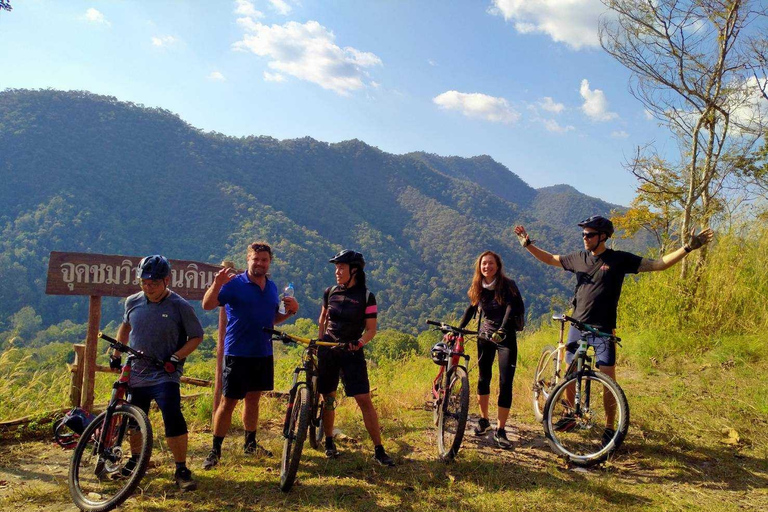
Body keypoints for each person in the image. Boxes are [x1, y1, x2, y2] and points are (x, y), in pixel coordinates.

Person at [514, 216, 713, 443]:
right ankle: (570, 414)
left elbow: (659, 264)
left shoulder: (619, 259)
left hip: (604, 328)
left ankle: (609, 426)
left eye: (589, 235)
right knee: (570, 370)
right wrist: (527, 244)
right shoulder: (579, 258)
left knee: (608, 377)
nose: (585, 239)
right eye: (583, 235)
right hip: (578, 324)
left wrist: (688, 247)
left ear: (603, 237)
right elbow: (550, 259)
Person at [200, 242, 299, 469]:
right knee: (229, 402)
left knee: (254, 400)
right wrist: (216, 284)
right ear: (248, 260)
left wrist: (292, 312)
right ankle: (215, 450)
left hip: (262, 352)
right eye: (256, 259)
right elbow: (207, 305)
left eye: (264, 260)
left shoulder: (272, 287)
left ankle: (250, 444)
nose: (260, 263)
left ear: (269, 262)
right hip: (237, 352)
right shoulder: (234, 284)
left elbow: (271, 319)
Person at [111, 255, 204, 491]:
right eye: (143, 282)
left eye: (152, 282)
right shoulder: (132, 302)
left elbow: (196, 336)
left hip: (165, 373)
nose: (147, 286)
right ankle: (136, 460)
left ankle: (181, 468)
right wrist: (116, 352)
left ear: (166, 280)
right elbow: (125, 327)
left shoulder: (180, 306)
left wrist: (176, 356)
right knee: (134, 420)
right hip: (137, 372)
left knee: (172, 415)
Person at [317, 250, 395, 466]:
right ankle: (329, 441)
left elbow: (371, 330)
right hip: (329, 349)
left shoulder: (367, 297)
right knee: (328, 398)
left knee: (363, 399)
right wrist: (320, 342)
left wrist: (358, 343)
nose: (337, 271)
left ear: (355, 271)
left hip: (352, 351)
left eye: (341, 267)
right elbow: (322, 319)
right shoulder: (330, 292)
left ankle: (379, 449)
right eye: (336, 267)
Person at [457, 251, 525, 449]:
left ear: (498, 265)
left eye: (491, 263)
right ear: (479, 267)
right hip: (485, 336)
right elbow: (471, 308)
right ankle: (484, 420)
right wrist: (459, 329)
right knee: (483, 378)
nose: (487, 267)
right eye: (484, 264)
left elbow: (513, 308)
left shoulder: (508, 285)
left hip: (506, 338)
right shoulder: (478, 286)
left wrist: (503, 329)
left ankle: (501, 429)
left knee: (505, 382)